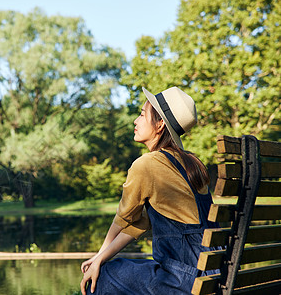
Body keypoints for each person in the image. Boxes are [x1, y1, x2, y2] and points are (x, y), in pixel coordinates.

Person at [80, 87, 220, 295]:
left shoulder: (147, 164)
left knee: (106, 276)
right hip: (214, 273)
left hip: (184, 279)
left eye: (142, 114)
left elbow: (123, 217)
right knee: (111, 267)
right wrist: (100, 257)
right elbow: (139, 224)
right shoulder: (191, 163)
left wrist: (100, 259)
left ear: (160, 124)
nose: (136, 121)